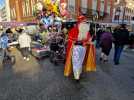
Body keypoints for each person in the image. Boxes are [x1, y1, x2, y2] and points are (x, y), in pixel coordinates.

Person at [64, 15, 96, 80]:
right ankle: (78, 73)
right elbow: (89, 40)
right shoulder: (85, 30)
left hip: (77, 48)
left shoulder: (74, 30)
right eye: (84, 21)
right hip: (83, 48)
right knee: (79, 61)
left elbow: (70, 40)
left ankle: (77, 76)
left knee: (76, 62)